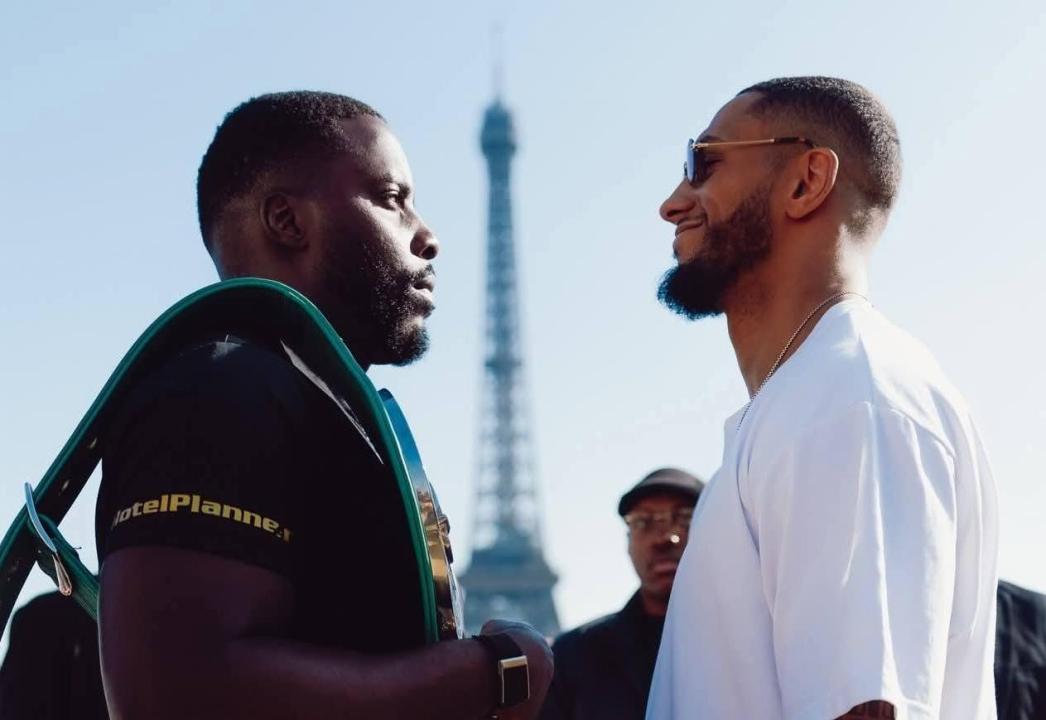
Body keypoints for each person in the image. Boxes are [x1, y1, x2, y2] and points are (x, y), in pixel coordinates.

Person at [92, 91, 552, 719]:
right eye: (393, 199)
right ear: (286, 221)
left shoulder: (285, 395)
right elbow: (178, 692)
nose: (428, 236)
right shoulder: (221, 386)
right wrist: (497, 671)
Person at [649, 76, 998, 719]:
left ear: (806, 182)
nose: (672, 203)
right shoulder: (817, 395)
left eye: (704, 163)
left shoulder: (848, 400)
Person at [540, 468, 703, 720]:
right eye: (643, 522)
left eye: (684, 519)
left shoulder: (756, 640)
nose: (664, 538)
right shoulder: (572, 658)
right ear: (628, 544)